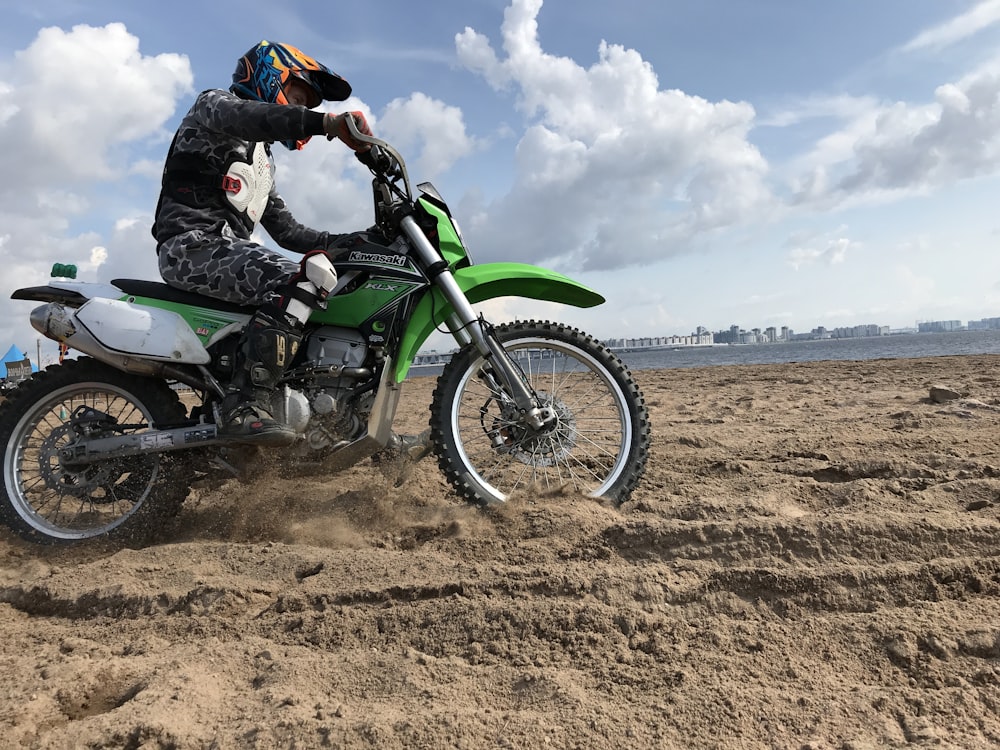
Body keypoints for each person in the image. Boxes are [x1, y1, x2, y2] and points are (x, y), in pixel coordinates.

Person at [152, 40, 375, 446]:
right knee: (299, 281)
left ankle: (332, 422)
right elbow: (249, 116)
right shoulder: (213, 106)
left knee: (318, 282)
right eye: (297, 97)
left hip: (224, 254)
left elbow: (288, 231)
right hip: (191, 246)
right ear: (270, 75)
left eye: (306, 104)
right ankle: (244, 405)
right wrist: (325, 124)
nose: (301, 109)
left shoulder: (262, 161)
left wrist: (357, 241)